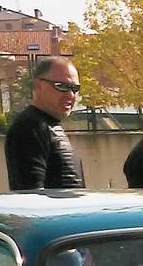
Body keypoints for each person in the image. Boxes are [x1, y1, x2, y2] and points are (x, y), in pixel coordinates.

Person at [6, 57, 86, 190]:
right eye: (62, 86)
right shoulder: (29, 128)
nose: (71, 95)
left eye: (75, 89)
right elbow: (30, 193)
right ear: (38, 86)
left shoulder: (44, 125)